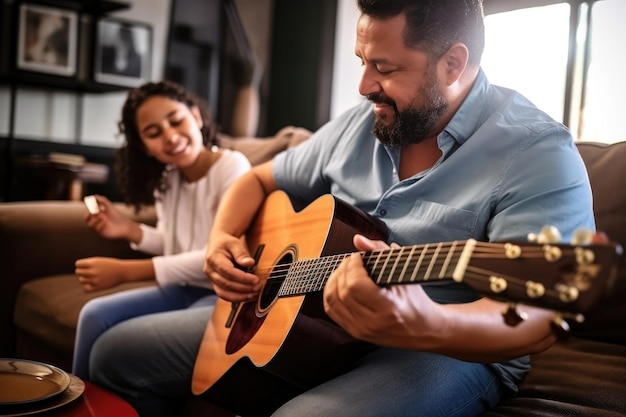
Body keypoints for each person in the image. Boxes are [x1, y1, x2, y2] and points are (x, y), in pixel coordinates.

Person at [88, 1, 596, 416]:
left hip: (445, 349)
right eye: (362, 61)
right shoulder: (361, 123)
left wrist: (426, 324)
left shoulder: (537, 152)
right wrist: (222, 239)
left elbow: (536, 314)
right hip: (310, 315)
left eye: (385, 68)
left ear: (454, 63)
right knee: (113, 351)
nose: (363, 85)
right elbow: (259, 180)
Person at [71, 80, 251, 379]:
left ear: (196, 117)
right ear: (145, 147)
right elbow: (174, 244)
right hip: (180, 290)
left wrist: (126, 271)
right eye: (154, 133)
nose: (170, 136)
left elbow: (218, 254)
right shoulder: (168, 180)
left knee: (114, 345)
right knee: (92, 315)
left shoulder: (232, 167)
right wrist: (128, 230)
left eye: (176, 121)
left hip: (219, 294)